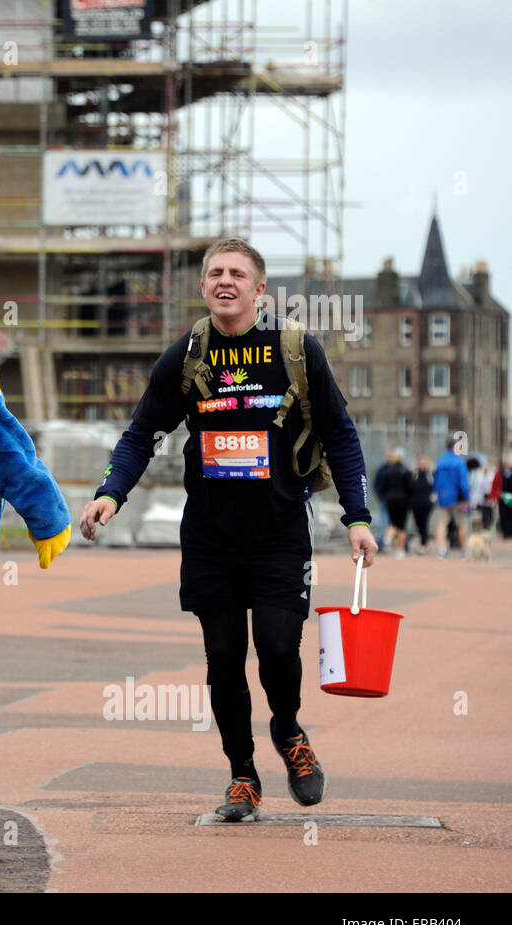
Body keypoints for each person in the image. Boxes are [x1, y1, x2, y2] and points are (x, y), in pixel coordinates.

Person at [80, 236, 377, 822]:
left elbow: (341, 435)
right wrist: (110, 493)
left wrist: (358, 517)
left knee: (275, 648)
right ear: (203, 286)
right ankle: (242, 775)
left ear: (259, 290)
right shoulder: (186, 356)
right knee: (222, 659)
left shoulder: (295, 349)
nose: (225, 281)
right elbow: (142, 432)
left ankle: (289, 732)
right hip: (211, 537)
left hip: (279, 533)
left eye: (237, 274)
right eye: (215, 272)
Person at [432, 436, 470, 559]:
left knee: (441, 524)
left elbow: (436, 480)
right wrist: (467, 497)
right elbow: (463, 482)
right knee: (462, 524)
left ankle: (441, 550)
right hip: (459, 498)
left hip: (443, 497)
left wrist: (437, 493)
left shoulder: (440, 461)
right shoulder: (459, 462)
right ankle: (464, 550)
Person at [378, 448, 413, 558]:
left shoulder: (388, 471)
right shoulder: (406, 471)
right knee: (402, 526)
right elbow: (411, 488)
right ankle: (400, 549)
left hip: (390, 500)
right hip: (403, 500)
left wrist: (385, 497)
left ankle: (387, 538)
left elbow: (382, 487)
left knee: (392, 523)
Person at [410, 454, 435, 553]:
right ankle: (421, 541)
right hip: (416, 503)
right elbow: (410, 487)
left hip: (427, 504)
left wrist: (433, 498)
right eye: (421, 463)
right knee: (418, 524)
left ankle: (424, 544)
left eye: (424, 463)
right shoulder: (414, 474)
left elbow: (435, 487)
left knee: (424, 523)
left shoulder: (430, 475)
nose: (422, 465)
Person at [493, 454, 512, 540]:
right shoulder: (499, 474)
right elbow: (495, 486)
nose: (506, 466)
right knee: (503, 516)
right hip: (502, 498)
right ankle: (505, 533)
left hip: (511, 498)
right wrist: (494, 496)